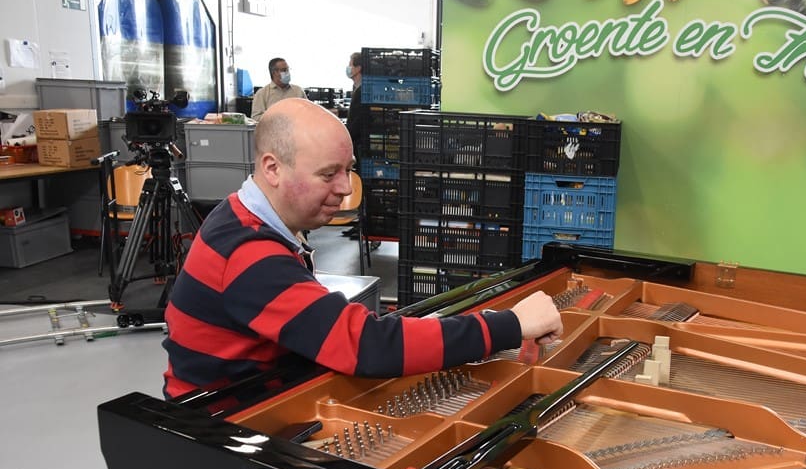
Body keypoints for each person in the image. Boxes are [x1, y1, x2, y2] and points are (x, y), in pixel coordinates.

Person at [162, 97, 562, 400]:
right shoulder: (247, 252)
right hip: (224, 430)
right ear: (272, 169)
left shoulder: (244, 215)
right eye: (328, 174)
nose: (345, 187)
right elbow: (365, 345)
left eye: (348, 169)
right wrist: (508, 325)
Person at [345, 51, 366, 163]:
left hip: (359, 141)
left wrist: (346, 136)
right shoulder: (356, 87)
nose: (348, 68)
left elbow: (358, 120)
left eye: (350, 65)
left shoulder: (362, 91)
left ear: (358, 68)